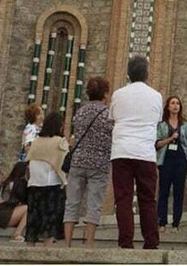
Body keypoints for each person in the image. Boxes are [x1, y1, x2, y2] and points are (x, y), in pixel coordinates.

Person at [109, 56, 163, 250]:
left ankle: (125, 242)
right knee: (147, 198)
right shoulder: (156, 96)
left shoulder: (118, 94)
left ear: (128, 74)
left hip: (121, 150)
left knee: (123, 198)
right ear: (147, 73)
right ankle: (151, 241)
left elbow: (113, 118)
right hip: (145, 152)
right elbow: (157, 120)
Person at [64, 77, 113, 248]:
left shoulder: (81, 112)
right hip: (99, 164)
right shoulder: (107, 114)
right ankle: (89, 244)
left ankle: (67, 244)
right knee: (94, 205)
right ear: (105, 94)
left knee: (72, 203)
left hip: (77, 162)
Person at [155, 95, 187, 232]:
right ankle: (162, 222)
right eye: (173, 103)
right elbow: (157, 144)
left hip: (180, 159)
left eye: (178, 103)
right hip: (166, 159)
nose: (175, 106)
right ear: (168, 106)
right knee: (164, 191)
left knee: (179, 192)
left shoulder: (184, 125)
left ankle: (176, 223)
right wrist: (170, 138)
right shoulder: (162, 125)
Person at [26, 111, 68, 246]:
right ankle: (46, 254)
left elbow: (29, 161)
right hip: (51, 185)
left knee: (33, 222)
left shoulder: (36, 142)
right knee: (49, 225)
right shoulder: (59, 142)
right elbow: (63, 163)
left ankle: (28, 253)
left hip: (34, 184)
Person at [0, 161, 29, 243]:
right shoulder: (18, 184)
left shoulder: (6, 182)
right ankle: (17, 233)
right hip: (5, 213)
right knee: (27, 208)